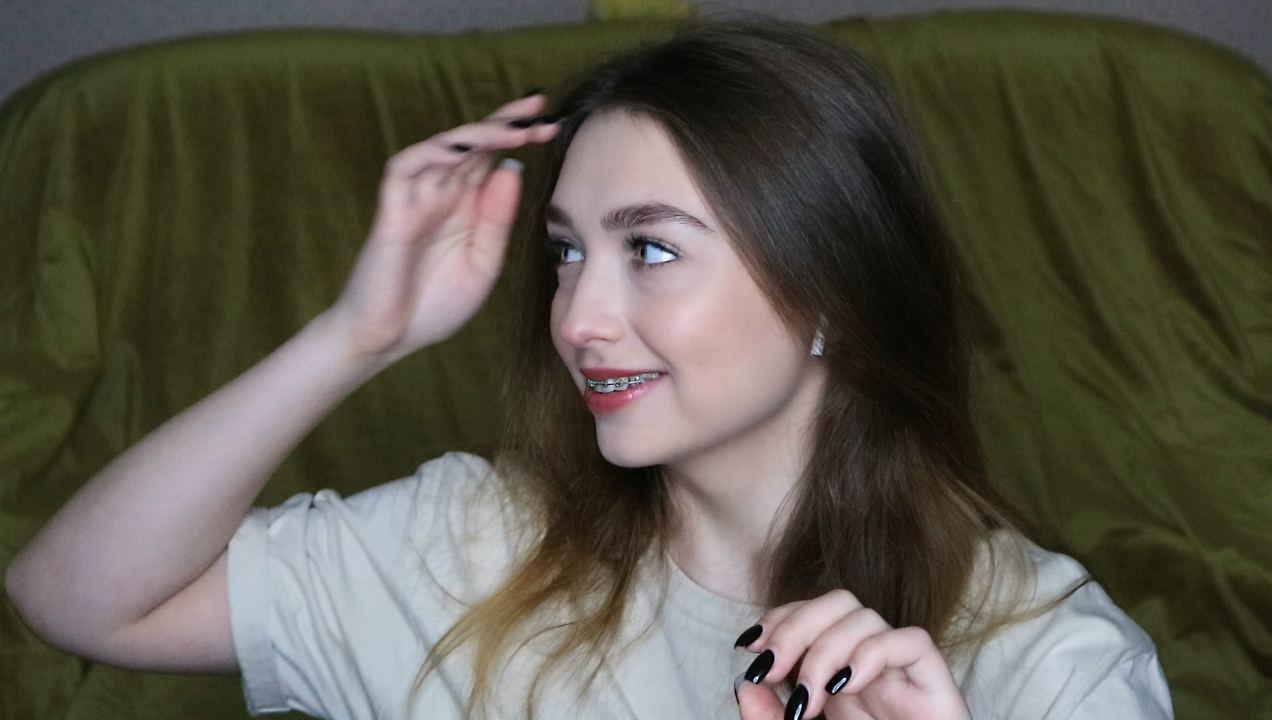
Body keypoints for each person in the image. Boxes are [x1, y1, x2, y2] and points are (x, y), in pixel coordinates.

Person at [6, 18, 1173, 720]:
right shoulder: (470, 547)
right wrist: (356, 334)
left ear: (830, 293)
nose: (578, 317)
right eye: (565, 252)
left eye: (649, 250)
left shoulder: (1045, 658)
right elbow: (75, 599)